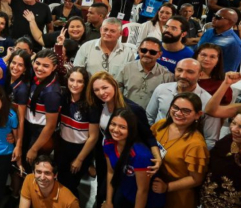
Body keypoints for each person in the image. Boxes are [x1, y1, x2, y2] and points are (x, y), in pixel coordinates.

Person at [149, 93, 209, 208]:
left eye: (186, 111)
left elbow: (196, 179)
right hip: (154, 188)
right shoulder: (161, 125)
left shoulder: (196, 144)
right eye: (175, 107)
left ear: (198, 115)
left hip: (177, 197)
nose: (178, 113)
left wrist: (167, 187)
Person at [102, 108, 163, 208]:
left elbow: (142, 191)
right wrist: (109, 201)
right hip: (125, 190)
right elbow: (110, 172)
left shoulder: (141, 155)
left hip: (147, 201)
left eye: (122, 127)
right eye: (113, 124)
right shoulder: (109, 143)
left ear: (131, 129)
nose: (116, 130)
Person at [56, 67, 100, 199]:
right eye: (72, 80)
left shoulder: (91, 104)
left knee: (71, 185)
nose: (74, 85)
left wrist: (80, 159)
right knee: (60, 181)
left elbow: (93, 137)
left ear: (86, 83)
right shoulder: (63, 97)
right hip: (62, 146)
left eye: (79, 81)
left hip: (80, 149)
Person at [115, 37, 175, 108]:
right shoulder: (125, 68)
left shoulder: (167, 76)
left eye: (152, 52)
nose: (147, 54)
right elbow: (116, 93)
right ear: (139, 50)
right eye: (143, 50)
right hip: (125, 113)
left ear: (159, 54)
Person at [73, 18, 138, 76]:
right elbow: (77, 72)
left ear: (120, 34)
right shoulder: (86, 47)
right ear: (101, 30)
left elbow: (130, 77)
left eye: (112, 31)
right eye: (105, 29)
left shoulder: (128, 53)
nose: (108, 33)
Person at [198, 8, 241, 73]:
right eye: (214, 15)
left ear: (230, 22)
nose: (213, 18)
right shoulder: (208, 32)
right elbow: (197, 51)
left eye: (218, 17)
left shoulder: (234, 43)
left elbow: (229, 69)